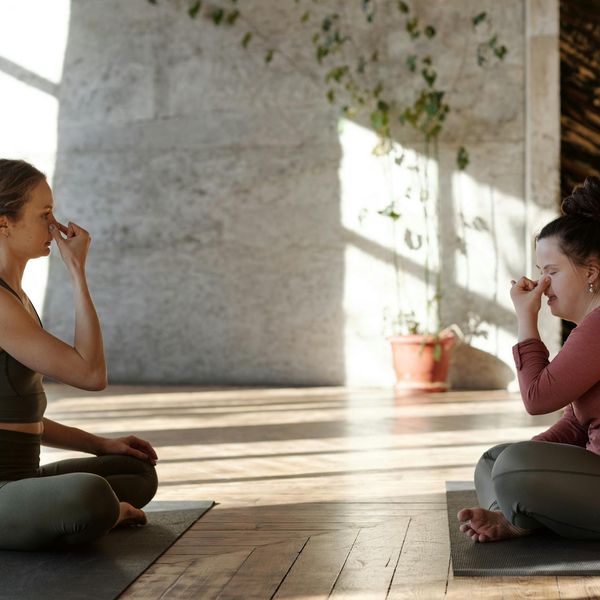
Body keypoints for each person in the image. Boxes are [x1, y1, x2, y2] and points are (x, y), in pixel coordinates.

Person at [0, 158, 158, 550]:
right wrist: (77, 273)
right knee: (92, 497)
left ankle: (74, 514)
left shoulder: (16, 298)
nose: (55, 226)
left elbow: (23, 417)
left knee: (135, 471)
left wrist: (101, 444)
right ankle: (102, 513)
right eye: (45, 214)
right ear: (4, 222)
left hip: (21, 477)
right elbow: (91, 375)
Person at [457, 176, 600, 543]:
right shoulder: (589, 326)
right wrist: (524, 456)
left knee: (513, 468)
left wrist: (526, 319)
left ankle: (517, 515)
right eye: (540, 274)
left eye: (551, 273)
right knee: (496, 460)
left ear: (591, 273)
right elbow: (575, 423)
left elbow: (537, 399)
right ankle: (515, 514)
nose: (541, 287)